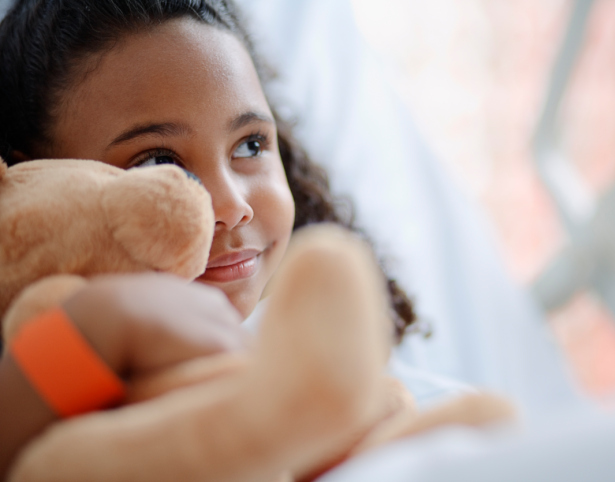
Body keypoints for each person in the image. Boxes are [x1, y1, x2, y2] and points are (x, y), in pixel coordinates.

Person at [0, 0, 429, 478]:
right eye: (157, 162)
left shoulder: (352, 382)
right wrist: (97, 329)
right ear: (37, 178)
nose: (232, 206)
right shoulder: (45, 341)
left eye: (251, 145)